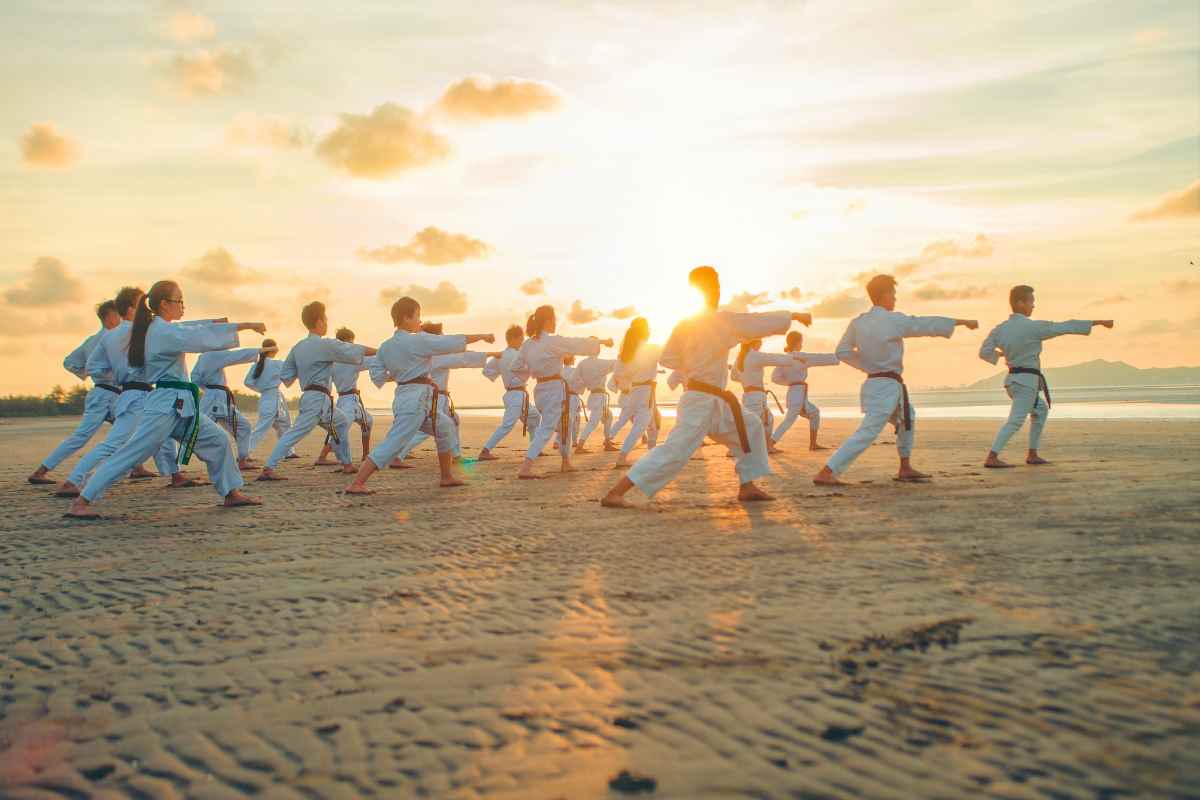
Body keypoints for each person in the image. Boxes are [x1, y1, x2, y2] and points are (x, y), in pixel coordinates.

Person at [602, 266, 811, 508]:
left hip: (715, 399)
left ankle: (747, 485)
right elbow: (756, 322)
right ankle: (616, 492)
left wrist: (692, 364)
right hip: (700, 400)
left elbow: (668, 358)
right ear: (703, 290)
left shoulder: (686, 324)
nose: (718, 290)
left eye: (718, 285)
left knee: (751, 426)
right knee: (675, 451)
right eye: (714, 285)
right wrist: (794, 315)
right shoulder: (721, 321)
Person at [64, 280, 266, 518]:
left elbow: (191, 329)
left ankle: (231, 493)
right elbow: (197, 337)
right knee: (132, 453)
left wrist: (231, 324)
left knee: (218, 440)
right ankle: (82, 501)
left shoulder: (159, 328)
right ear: (164, 304)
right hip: (166, 404)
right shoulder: (162, 331)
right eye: (179, 301)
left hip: (181, 403)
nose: (183, 306)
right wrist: (244, 326)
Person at [813, 274, 977, 486]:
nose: (895, 299)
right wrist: (962, 322)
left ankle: (905, 466)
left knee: (908, 416)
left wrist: (868, 365)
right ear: (884, 295)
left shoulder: (858, 322)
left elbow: (842, 351)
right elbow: (924, 324)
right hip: (885, 386)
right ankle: (828, 471)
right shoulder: (892, 319)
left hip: (876, 383)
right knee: (869, 429)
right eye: (894, 294)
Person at [343, 297, 493, 493]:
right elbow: (450, 341)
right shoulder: (418, 340)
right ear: (406, 318)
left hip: (407, 396)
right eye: (417, 317)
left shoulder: (386, 346)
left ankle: (446, 477)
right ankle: (357, 483)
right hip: (415, 400)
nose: (419, 321)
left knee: (445, 426)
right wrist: (482, 335)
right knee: (394, 442)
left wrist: (402, 375)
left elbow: (377, 375)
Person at [53, 287, 186, 497]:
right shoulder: (142, 330)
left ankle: (175, 475)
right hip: (139, 395)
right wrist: (223, 325)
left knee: (162, 436)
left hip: (132, 393)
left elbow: (94, 366)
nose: (146, 308)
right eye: (142, 304)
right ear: (132, 308)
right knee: (116, 443)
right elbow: (186, 330)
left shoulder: (110, 336)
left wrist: (118, 376)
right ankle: (74, 481)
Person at [980, 285, 1113, 467]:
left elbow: (984, 352)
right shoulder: (1033, 327)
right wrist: (1098, 322)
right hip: (1026, 382)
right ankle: (992, 457)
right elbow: (1064, 326)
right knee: (1016, 420)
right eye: (1031, 302)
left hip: (1013, 381)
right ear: (1020, 303)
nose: (1033, 306)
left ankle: (1032, 454)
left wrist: (1002, 354)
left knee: (1040, 411)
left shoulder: (1000, 329)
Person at [258, 302, 376, 480]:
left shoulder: (298, 347)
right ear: (319, 321)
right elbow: (353, 349)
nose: (327, 323)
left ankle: (347, 464)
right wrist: (382, 352)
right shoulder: (324, 345)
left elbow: (286, 377)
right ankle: (268, 467)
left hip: (314, 397)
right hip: (317, 399)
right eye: (326, 319)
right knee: (295, 433)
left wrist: (308, 371)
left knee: (341, 422)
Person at [27, 300, 123, 485]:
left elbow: (69, 362)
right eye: (118, 314)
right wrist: (93, 373)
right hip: (105, 394)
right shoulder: (108, 339)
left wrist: (85, 373)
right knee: (82, 437)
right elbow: (69, 362)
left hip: (110, 395)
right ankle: (41, 471)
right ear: (110, 317)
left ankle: (136, 468)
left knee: (129, 429)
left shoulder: (93, 340)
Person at [513, 306, 612, 479]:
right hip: (554, 389)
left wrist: (533, 370)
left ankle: (566, 462)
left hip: (540, 389)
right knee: (548, 427)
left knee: (564, 425)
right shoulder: (551, 341)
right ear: (547, 321)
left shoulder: (527, 345)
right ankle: (526, 467)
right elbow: (576, 343)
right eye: (554, 319)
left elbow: (516, 367)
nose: (556, 323)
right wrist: (602, 341)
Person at [391, 322, 495, 462]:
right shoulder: (437, 356)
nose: (443, 340)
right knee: (430, 428)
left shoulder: (428, 354)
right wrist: (491, 353)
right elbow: (462, 359)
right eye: (441, 337)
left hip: (439, 397)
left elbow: (460, 355)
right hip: (435, 397)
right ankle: (398, 455)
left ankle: (456, 455)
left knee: (453, 420)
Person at [191, 343, 263, 471]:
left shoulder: (202, 357)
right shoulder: (213, 355)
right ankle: (181, 463)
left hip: (217, 396)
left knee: (243, 426)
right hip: (214, 398)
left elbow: (195, 378)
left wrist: (208, 389)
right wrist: (262, 350)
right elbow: (236, 355)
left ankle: (242, 460)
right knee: (197, 431)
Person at [477, 325, 541, 461]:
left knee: (535, 417)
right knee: (507, 425)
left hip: (514, 394)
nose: (522, 341)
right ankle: (485, 450)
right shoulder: (518, 355)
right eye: (521, 339)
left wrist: (502, 373)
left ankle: (534, 448)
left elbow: (486, 372)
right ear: (514, 338)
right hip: (517, 395)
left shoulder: (500, 356)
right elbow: (530, 368)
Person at [769, 331, 840, 451]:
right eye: (801, 342)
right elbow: (819, 358)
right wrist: (838, 357)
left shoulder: (784, 359)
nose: (801, 344)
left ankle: (813, 444)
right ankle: (770, 443)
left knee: (814, 413)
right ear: (797, 342)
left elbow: (774, 378)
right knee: (789, 420)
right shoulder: (800, 356)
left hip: (794, 392)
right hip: (798, 394)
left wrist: (790, 382)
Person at [314, 328, 375, 464]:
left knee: (368, 421)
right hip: (348, 401)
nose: (352, 346)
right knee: (341, 429)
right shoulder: (351, 360)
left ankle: (366, 454)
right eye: (351, 343)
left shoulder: (333, 361)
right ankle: (322, 457)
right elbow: (373, 360)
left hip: (347, 399)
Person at [609, 317, 662, 469]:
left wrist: (629, 378)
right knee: (642, 424)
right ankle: (622, 457)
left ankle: (652, 454)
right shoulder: (651, 348)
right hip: (646, 391)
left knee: (652, 423)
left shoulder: (626, 352)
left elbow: (618, 373)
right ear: (646, 331)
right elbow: (669, 358)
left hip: (635, 390)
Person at [729, 339, 796, 454]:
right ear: (753, 342)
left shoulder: (740, 358)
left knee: (767, 420)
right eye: (759, 341)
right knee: (753, 423)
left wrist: (746, 378)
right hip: (755, 396)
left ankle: (766, 446)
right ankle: (734, 448)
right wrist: (793, 358)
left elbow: (733, 377)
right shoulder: (755, 355)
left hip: (750, 395)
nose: (761, 344)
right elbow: (773, 358)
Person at [243, 340, 298, 460]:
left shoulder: (256, 365)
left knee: (283, 424)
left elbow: (247, 382)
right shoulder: (277, 363)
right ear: (273, 349)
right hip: (273, 396)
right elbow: (289, 374)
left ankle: (288, 451)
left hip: (266, 397)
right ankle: (244, 453)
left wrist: (261, 389)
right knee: (266, 427)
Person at [571, 353, 619, 453]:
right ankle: (580, 446)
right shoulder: (598, 363)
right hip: (598, 397)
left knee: (608, 416)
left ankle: (607, 442)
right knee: (593, 423)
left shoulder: (583, 364)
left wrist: (585, 385)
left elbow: (576, 379)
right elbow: (616, 364)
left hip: (596, 396)